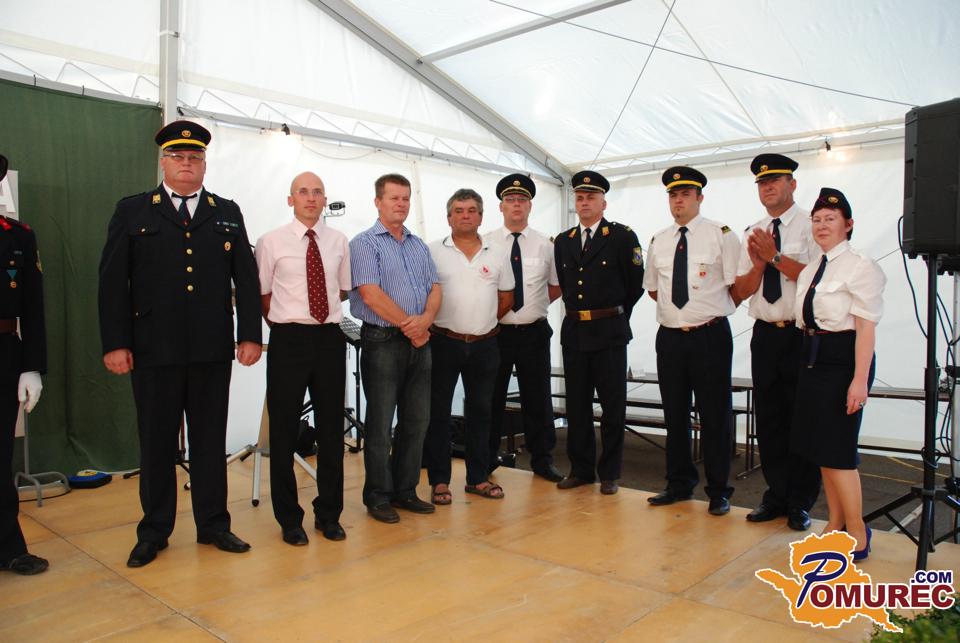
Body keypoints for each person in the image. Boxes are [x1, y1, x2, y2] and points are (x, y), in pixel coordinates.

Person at [98, 121, 262, 568]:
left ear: (204, 164)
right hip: (153, 349)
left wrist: (250, 334)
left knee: (209, 439)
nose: (186, 164)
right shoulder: (133, 210)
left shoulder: (226, 211)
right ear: (163, 162)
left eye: (194, 158)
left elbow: (246, 279)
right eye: (177, 157)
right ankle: (154, 531)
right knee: (156, 443)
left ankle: (214, 525)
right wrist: (116, 342)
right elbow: (112, 283)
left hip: (211, 348)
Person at [255, 172, 351, 545]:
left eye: (317, 192)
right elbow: (264, 295)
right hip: (288, 339)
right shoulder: (271, 241)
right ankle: (289, 519)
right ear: (290, 199)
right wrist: (289, 322)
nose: (311, 198)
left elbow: (342, 290)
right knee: (283, 432)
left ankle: (329, 514)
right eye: (303, 192)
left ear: (325, 199)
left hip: (329, 339)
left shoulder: (339, 241)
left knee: (331, 432)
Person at [792, 187, 884, 560]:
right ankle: (835, 522)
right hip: (811, 358)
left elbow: (865, 329)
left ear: (848, 224)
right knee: (822, 450)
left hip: (843, 360)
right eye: (816, 219)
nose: (822, 225)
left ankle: (858, 531)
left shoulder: (860, 265)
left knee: (839, 451)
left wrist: (859, 380)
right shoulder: (812, 267)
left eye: (830, 219)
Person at [731, 154, 821, 531]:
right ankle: (776, 494)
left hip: (801, 334)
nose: (767, 187)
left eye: (775, 181)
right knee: (769, 419)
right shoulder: (753, 230)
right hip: (765, 333)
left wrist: (775, 257)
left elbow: (819, 279)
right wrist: (758, 265)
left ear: (792, 185)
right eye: (762, 183)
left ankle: (800, 501)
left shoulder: (813, 224)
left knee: (802, 419)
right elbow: (740, 291)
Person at [644, 166, 739, 515]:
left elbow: (736, 285)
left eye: (685, 194)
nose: (678, 200)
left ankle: (718, 491)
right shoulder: (659, 240)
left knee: (714, 416)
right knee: (675, 415)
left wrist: (707, 311)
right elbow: (654, 289)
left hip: (709, 335)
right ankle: (679, 484)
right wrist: (679, 316)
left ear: (700, 197)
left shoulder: (721, 235)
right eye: (673, 194)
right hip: (671, 338)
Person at [349, 173, 440, 524]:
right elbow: (370, 294)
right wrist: (411, 326)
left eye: (405, 198)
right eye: (393, 198)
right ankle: (378, 495)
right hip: (383, 341)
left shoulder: (419, 246)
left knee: (417, 421)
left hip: (420, 340)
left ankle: (406, 490)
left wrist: (426, 321)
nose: (401, 204)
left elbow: (435, 288)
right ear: (378, 202)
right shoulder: (364, 243)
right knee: (380, 422)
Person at [554, 170, 644, 495]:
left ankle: (610, 473)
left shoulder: (621, 236)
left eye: (591, 197)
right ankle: (580, 470)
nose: (584, 202)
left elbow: (635, 285)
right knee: (577, 406)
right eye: (579, 197)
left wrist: (614, 315)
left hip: (609, 332)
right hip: (575, 331)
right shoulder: (563, 241)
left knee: (612, 407)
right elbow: (565, 283)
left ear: (603, 203)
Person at [424, 188, 513, 503]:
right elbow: (423, 295)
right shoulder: (431, 251)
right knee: (438, 413)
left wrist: (482, 323)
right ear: (449, 217)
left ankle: (478, 478)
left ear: (481, 216)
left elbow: (506, 297)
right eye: (459, 211)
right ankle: (439, 480)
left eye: (472, 210)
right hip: (442, 342)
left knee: (482, 413)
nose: (465, 216)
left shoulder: (498, 252)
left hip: (485, 345)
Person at [486, 173, 563, 482]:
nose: (516, 205)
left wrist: (531, 308)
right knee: (491, 397)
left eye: (521, 200)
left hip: (533, 331)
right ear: (501, 206)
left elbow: (555, 286)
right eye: (510, 200)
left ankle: (542, 460)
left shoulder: (546, 244)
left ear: (530, 206)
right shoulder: (486, 242)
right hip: (496, 333)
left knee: (538, 398)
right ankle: (486, 458)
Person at [0, 153, 48, 575]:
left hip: (3, 349)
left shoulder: (17, 236)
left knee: (1, 455)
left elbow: (33, 307)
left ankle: (8, 546)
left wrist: (32, 366)